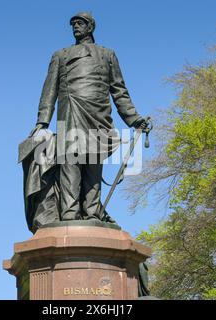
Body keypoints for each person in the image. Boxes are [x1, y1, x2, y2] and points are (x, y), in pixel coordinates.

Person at [29, 12, 149, 221]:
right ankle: (69, 213)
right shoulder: (61, 55)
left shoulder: (107, 54)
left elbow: (119, 91)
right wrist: (42, 122)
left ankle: (92, 212)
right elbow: (49, 91)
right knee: (70, 163)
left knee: (93, 164)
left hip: (98, 115)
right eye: (73, 23)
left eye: (80, 23)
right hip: (71, 113)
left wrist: (134, 119)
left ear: (91, 27)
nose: (75, 26)